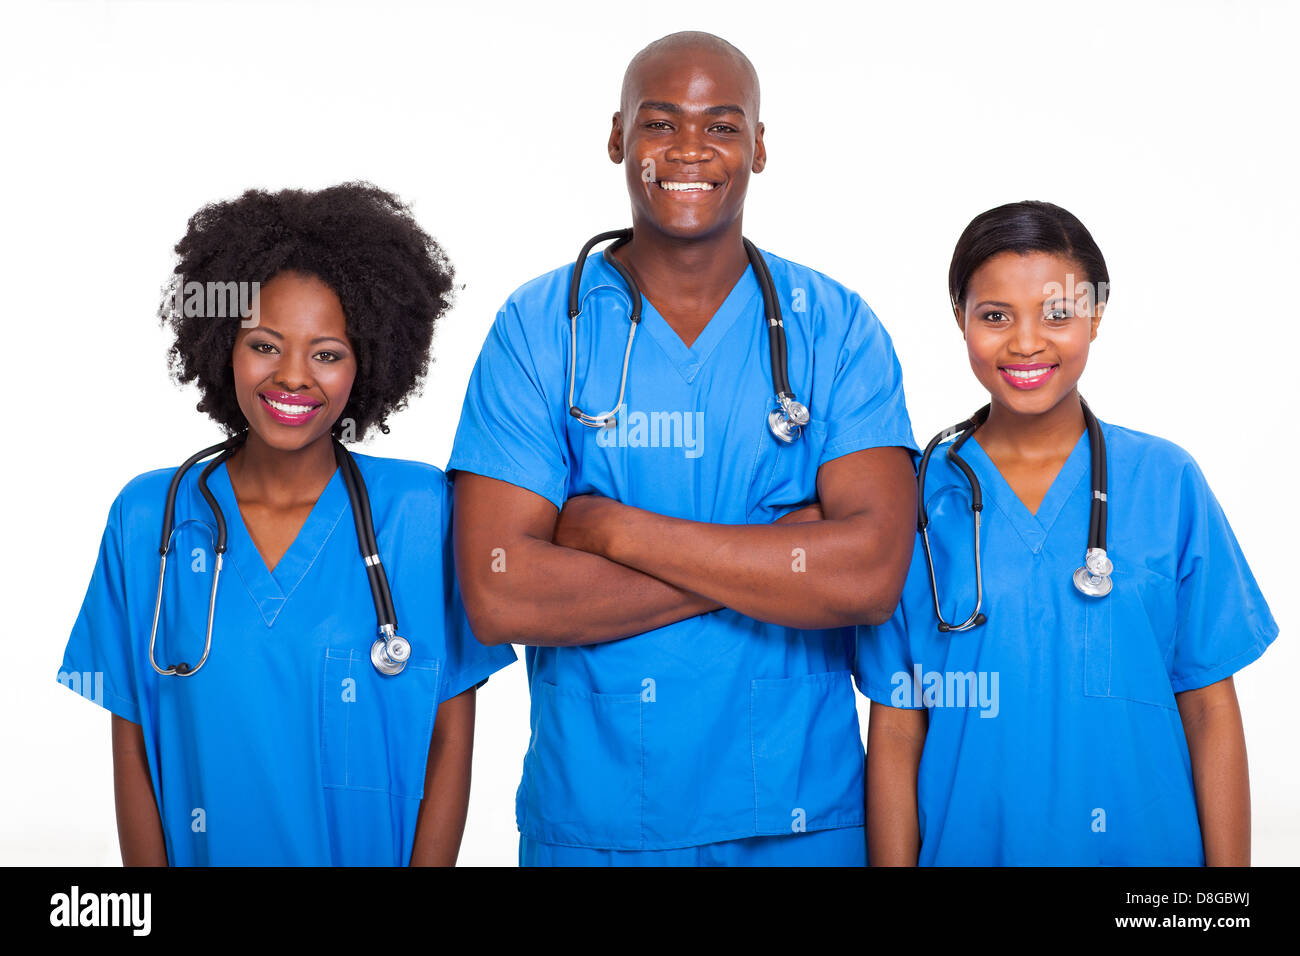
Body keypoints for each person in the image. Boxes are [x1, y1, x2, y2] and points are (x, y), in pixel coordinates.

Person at [448, 32, 917, 866]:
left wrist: (616, 531)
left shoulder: (835, 326)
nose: (691, 150)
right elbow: (500, 591)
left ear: (761, 147)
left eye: (723, 126)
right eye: (661, 123)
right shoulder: (538, 329)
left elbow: (871, 576)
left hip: (801, 819)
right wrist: (778, 554)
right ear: (617, 137)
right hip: (598, 822)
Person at [56, 182, 515, 866]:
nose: (293, 377)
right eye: (265, 345)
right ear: (222, 348)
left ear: (367, 363)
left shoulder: (422, 511)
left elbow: (450, 734)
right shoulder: (149, 517)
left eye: (327, 353)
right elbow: (133, 743)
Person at [858, 200, 1278, 866]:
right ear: (960, 319)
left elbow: (1208, 709)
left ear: (1097, 315)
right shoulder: (914, 496)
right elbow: (898, 722)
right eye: (994, 316)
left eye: (1057, 314)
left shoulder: (1167, 482)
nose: (1026, 342)